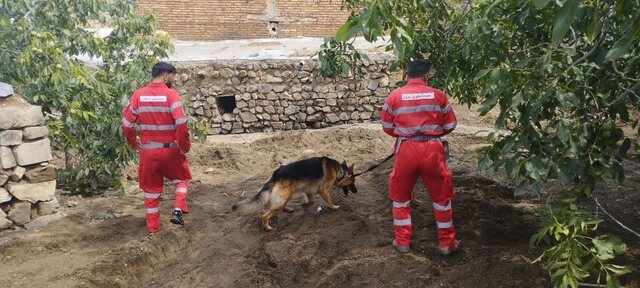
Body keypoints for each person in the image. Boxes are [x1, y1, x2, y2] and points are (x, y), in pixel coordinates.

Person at [380, 59, 460, 255]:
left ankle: (402, 242)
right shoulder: (439, 96)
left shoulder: (394, 97)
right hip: (433, 150)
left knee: (400, 198)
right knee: (441, 198)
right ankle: (446, 243)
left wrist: (407, 134)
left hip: (406, 150)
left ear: (406, 75)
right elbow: (450, 125)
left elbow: (387, 126)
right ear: (426, 75)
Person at [121, 61, 192, 233]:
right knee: (181, 180)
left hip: (148, 152)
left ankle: (153, 230)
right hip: (170, 151)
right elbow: (181, 123)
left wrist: (132, 143)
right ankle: (177, 209)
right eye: (172, 77)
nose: (172, 80)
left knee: (151, 192)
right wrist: (184, 145)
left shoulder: (138, 95)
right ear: (166, 75)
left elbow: (126, 124)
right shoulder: (171, 95)